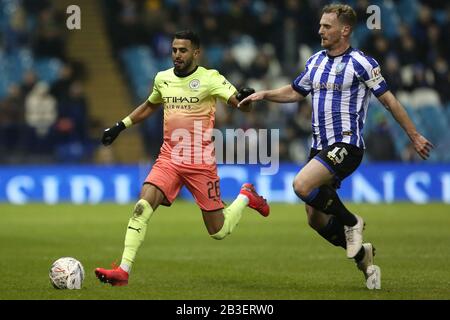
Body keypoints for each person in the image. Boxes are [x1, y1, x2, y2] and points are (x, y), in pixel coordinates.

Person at [238, 4, 433, 290]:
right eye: (320, 25)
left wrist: (413, 135)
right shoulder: (315, 61)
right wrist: (264, 94)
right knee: (315, 219)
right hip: (319, 148)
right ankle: (365, 260)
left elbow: (389, 101)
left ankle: (352, 221)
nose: (320, 30)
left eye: (327, 26)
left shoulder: (362, 63)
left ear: (345, 30)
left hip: (347, 144)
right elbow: (295, 91)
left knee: (301, 185)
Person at [95, 30, 270, 286]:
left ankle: (246, 196)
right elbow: (150, 105)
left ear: (196, 53)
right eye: (175, 50)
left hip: (200, 163)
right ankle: (123, 271)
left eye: (183, 50)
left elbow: (240, 104)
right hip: (169, 158)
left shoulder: (210, 78)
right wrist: (120, 126)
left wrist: (245, 98)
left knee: (219, 231)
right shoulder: (162, 78)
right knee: (142, 207)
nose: (177, 54)